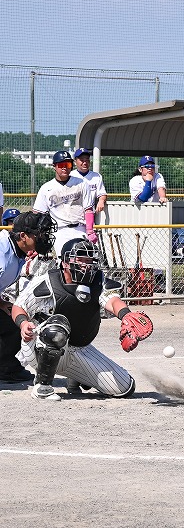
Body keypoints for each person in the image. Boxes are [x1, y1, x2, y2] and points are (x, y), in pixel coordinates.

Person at [11, 238, 153, 401]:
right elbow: (18, 307)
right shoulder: (47, 281)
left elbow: (112, 301)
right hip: (39, 347)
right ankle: (43, 386)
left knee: (125, 388)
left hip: (79, 348)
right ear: (65, 262)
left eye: (89, 260)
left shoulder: (98, 281)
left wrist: (126, 314)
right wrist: (23, 323)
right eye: (81, 260)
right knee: (56, 327)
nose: (86, 265)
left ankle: (76, 377)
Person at [0, 212, 57, 383]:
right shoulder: (3, 255)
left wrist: (2, 303)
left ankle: (6, 368)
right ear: (23, 236)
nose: (44, 238)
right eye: (39, 234)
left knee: (14, 321)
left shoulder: (14, 250)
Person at [32, 151, 97, 255]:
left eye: (68, 164)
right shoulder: (46, 188)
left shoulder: (81, 183)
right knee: (63, 260)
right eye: (61, 165)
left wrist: (90, 230)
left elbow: (88, 209)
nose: (65, 168)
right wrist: (37, 237)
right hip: (60, 231)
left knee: (83, 260)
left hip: (80, 228)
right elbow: (38, 214)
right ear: (54, 166)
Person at [71, 147, 108, 215]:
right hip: (73, 213)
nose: (85, 163)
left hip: (89, 213)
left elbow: (102, 193)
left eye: (87, 160)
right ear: (75, 161)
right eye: (82, 160)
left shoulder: (96, 176)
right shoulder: (70, 175)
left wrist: (101, 201)